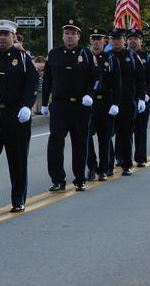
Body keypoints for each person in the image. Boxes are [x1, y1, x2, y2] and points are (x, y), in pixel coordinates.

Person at [0, 20, 38, 213]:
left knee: (18, 160)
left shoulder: (22, 58)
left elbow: (32, 82)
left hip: (17, 115)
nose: (3, 38)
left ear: (14, 36)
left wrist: (27, 106)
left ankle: (18, 199)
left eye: (6, 34)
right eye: (0, 34)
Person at [41, 19, 100, 192]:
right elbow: (47, 80)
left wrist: (90, 95)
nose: (69, 36)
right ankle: (58, 179)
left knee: (79, 143)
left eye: (73, 33)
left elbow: (96, 78)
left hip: (80, 105)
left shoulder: (86, 54)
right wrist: (44, 102)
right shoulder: (54, 54)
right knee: (55, 141)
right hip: (59, 105)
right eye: (67, 33)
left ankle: (79, 178)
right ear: (63, 35)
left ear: (78, 36)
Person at [85, 29, 121, 182]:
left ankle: (104, 169)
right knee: (86, 137)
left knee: (104, 138)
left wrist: (115, 103)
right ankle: (91, 166)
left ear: (104, 41)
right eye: (93, 39)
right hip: (89, 103)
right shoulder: (85, 58)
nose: (96, 42)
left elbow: (117, 84)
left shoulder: (110, 59)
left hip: (105, 102)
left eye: (99, 39)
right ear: (90, 41)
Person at [109, 28, 145, 176]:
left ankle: (126, 164)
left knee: (125, 133)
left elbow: (141, 79)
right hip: (109, 101)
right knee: (107, 134)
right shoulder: (107, 56)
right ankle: (107, 165)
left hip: (127, 100)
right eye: (113, 39)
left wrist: (142, 98)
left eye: (119, 39)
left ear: (124, 40)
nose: (116, 41)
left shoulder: (132, 57)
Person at [127, 29, 150, 167]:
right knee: (124, 129)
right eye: (130, 38)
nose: (133, 40)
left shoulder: (147, 57)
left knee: (140, 129)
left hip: (142, 99)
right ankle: (122, 158)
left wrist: (146, 93)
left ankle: (140, 157)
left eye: (136, 38)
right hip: (125, 98)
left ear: (141, 41)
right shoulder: (122, 56)